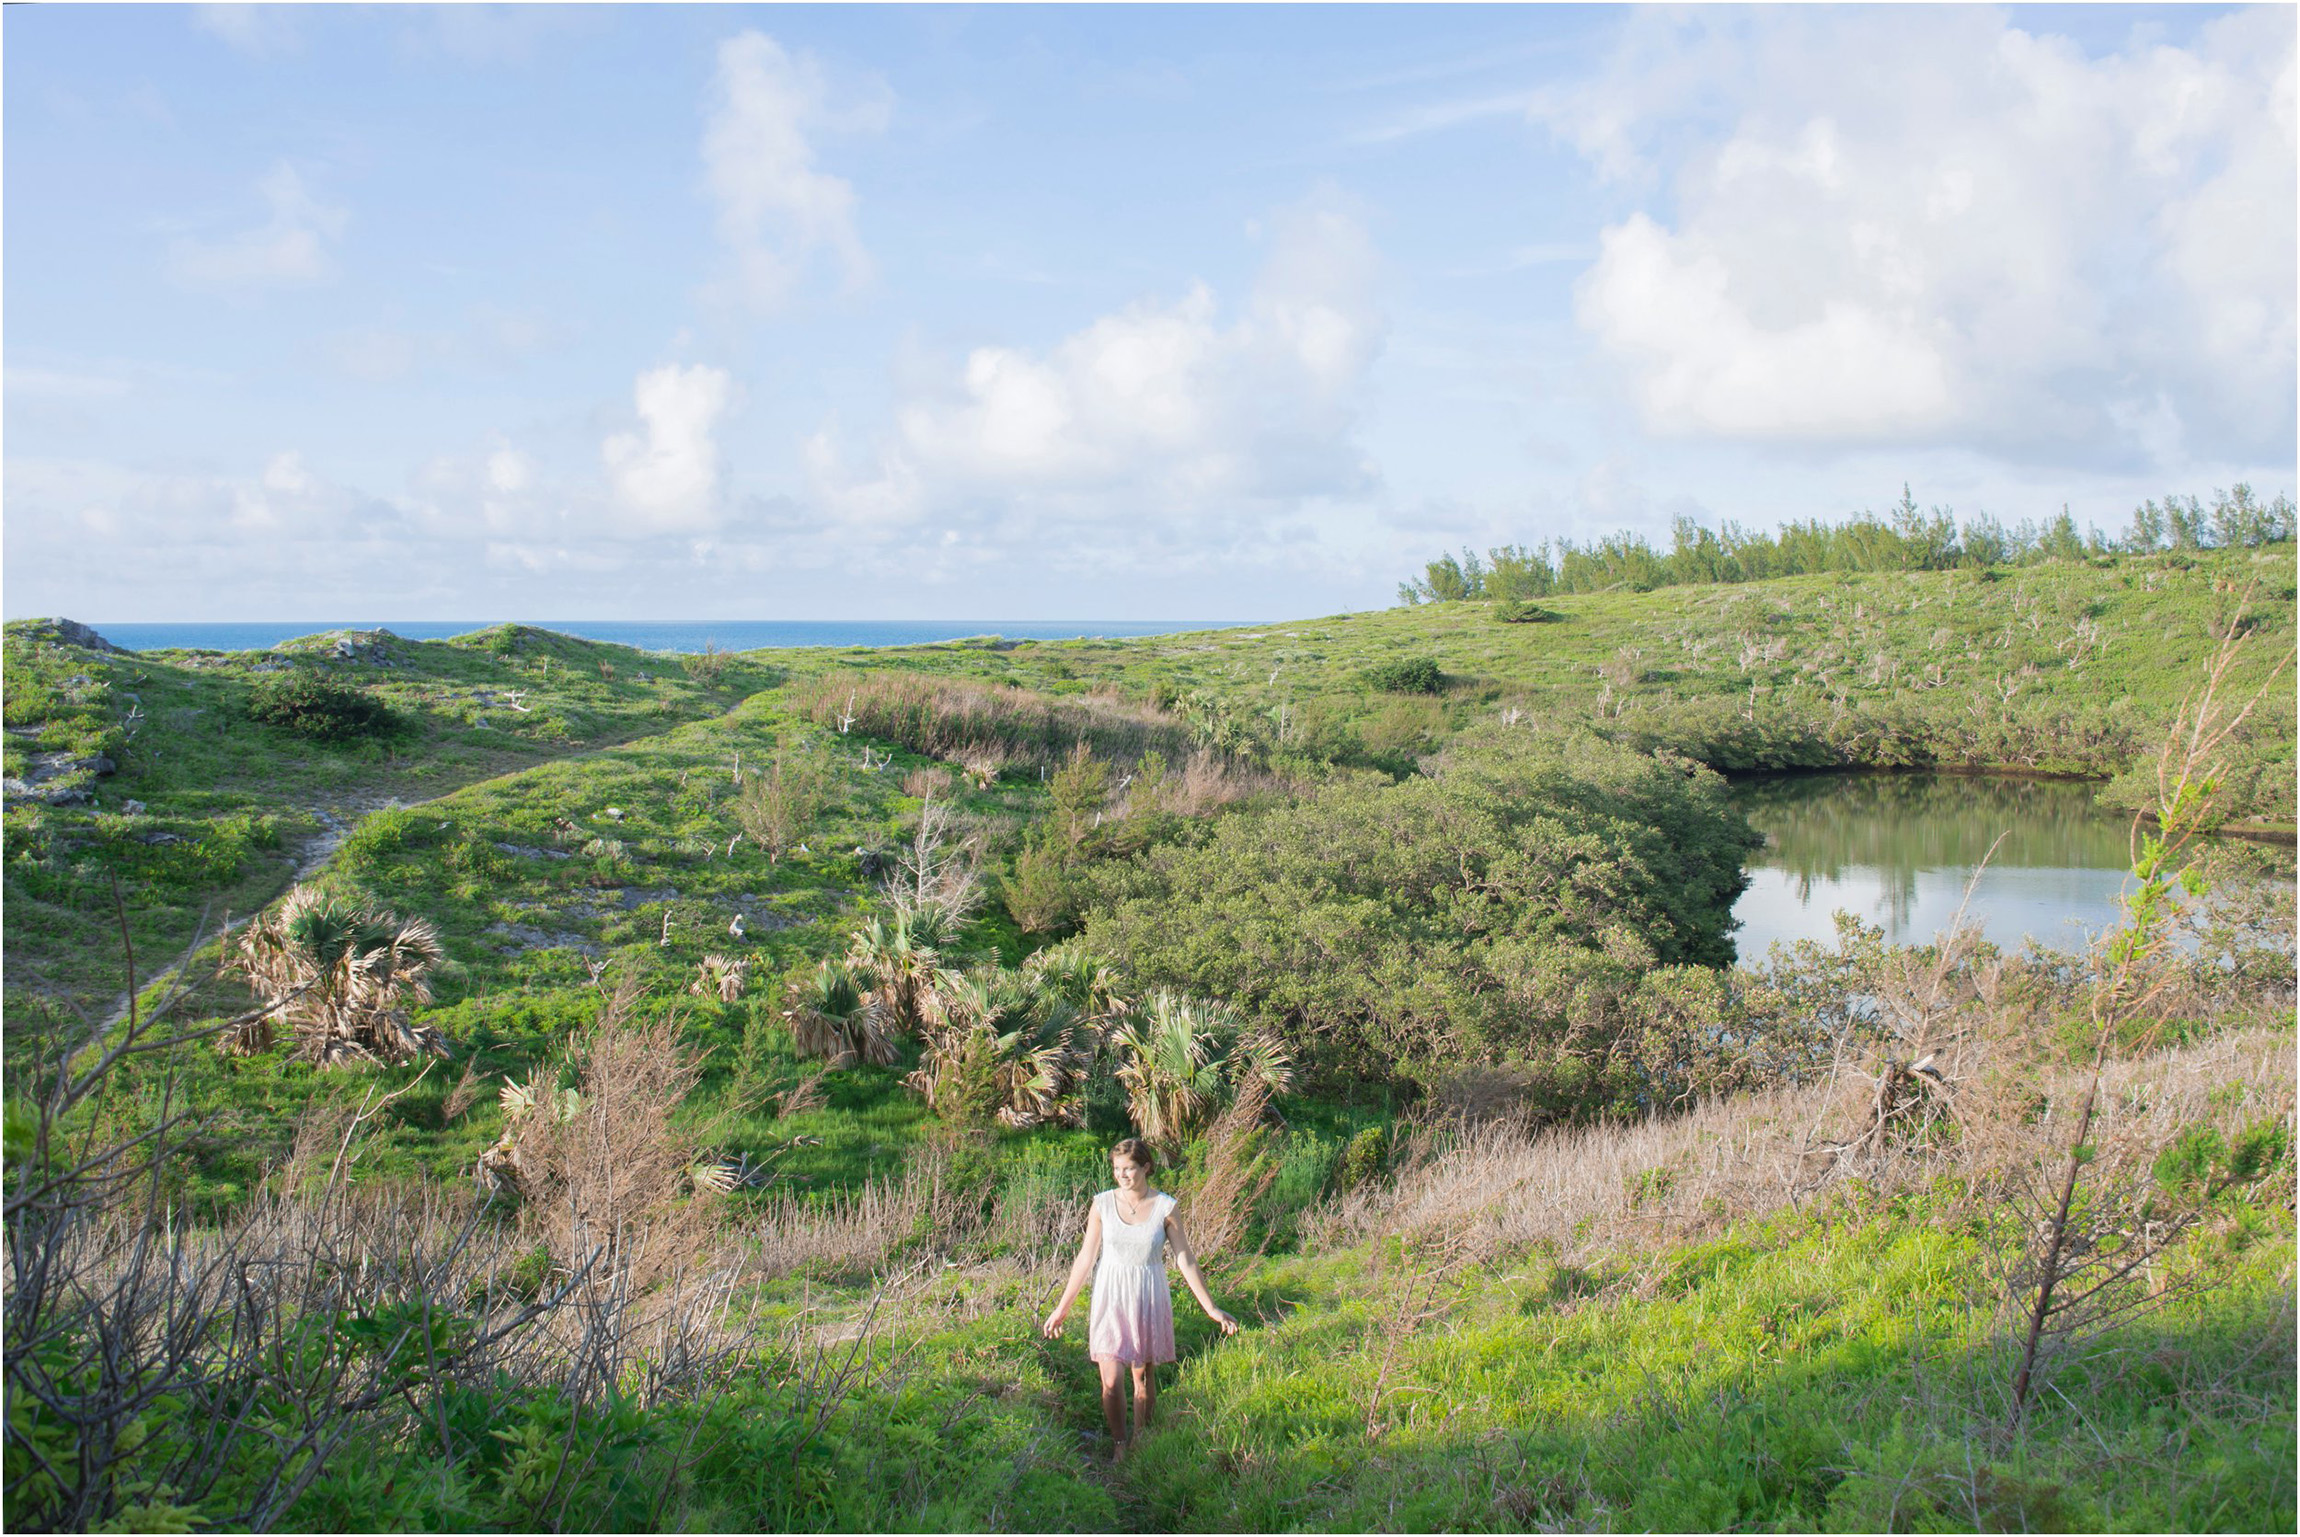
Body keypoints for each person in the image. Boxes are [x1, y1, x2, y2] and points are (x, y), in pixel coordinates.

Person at [1041, 1138, 1239, 1461]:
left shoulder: (1166, 1207)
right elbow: (1085, 1258)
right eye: (1117, 1169)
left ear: (1146, 1167)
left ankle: (1141, 1439)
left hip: (1147, 1296)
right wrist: (1062, 1309)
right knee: (1110, 1380)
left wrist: (1212, 1308)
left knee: (1142, 1380)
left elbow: (1185, 1258)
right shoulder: (1102, 1204)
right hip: (1110, 1296)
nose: (1122, 1175)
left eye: (1129, 1168)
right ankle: (1119, 1443)